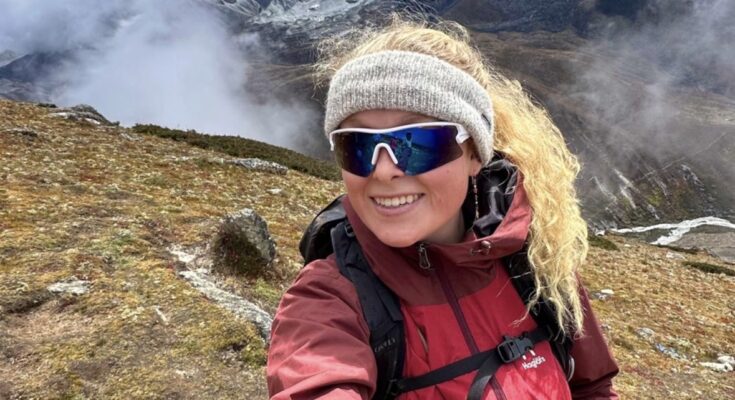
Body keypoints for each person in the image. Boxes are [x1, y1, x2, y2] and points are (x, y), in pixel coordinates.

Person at [267, 16, 619, 400]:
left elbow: (592, 387)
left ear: (475, 154)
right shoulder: (328, 298)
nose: (383, 171)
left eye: (419, 143)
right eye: (357, 145)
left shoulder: (535, 258)